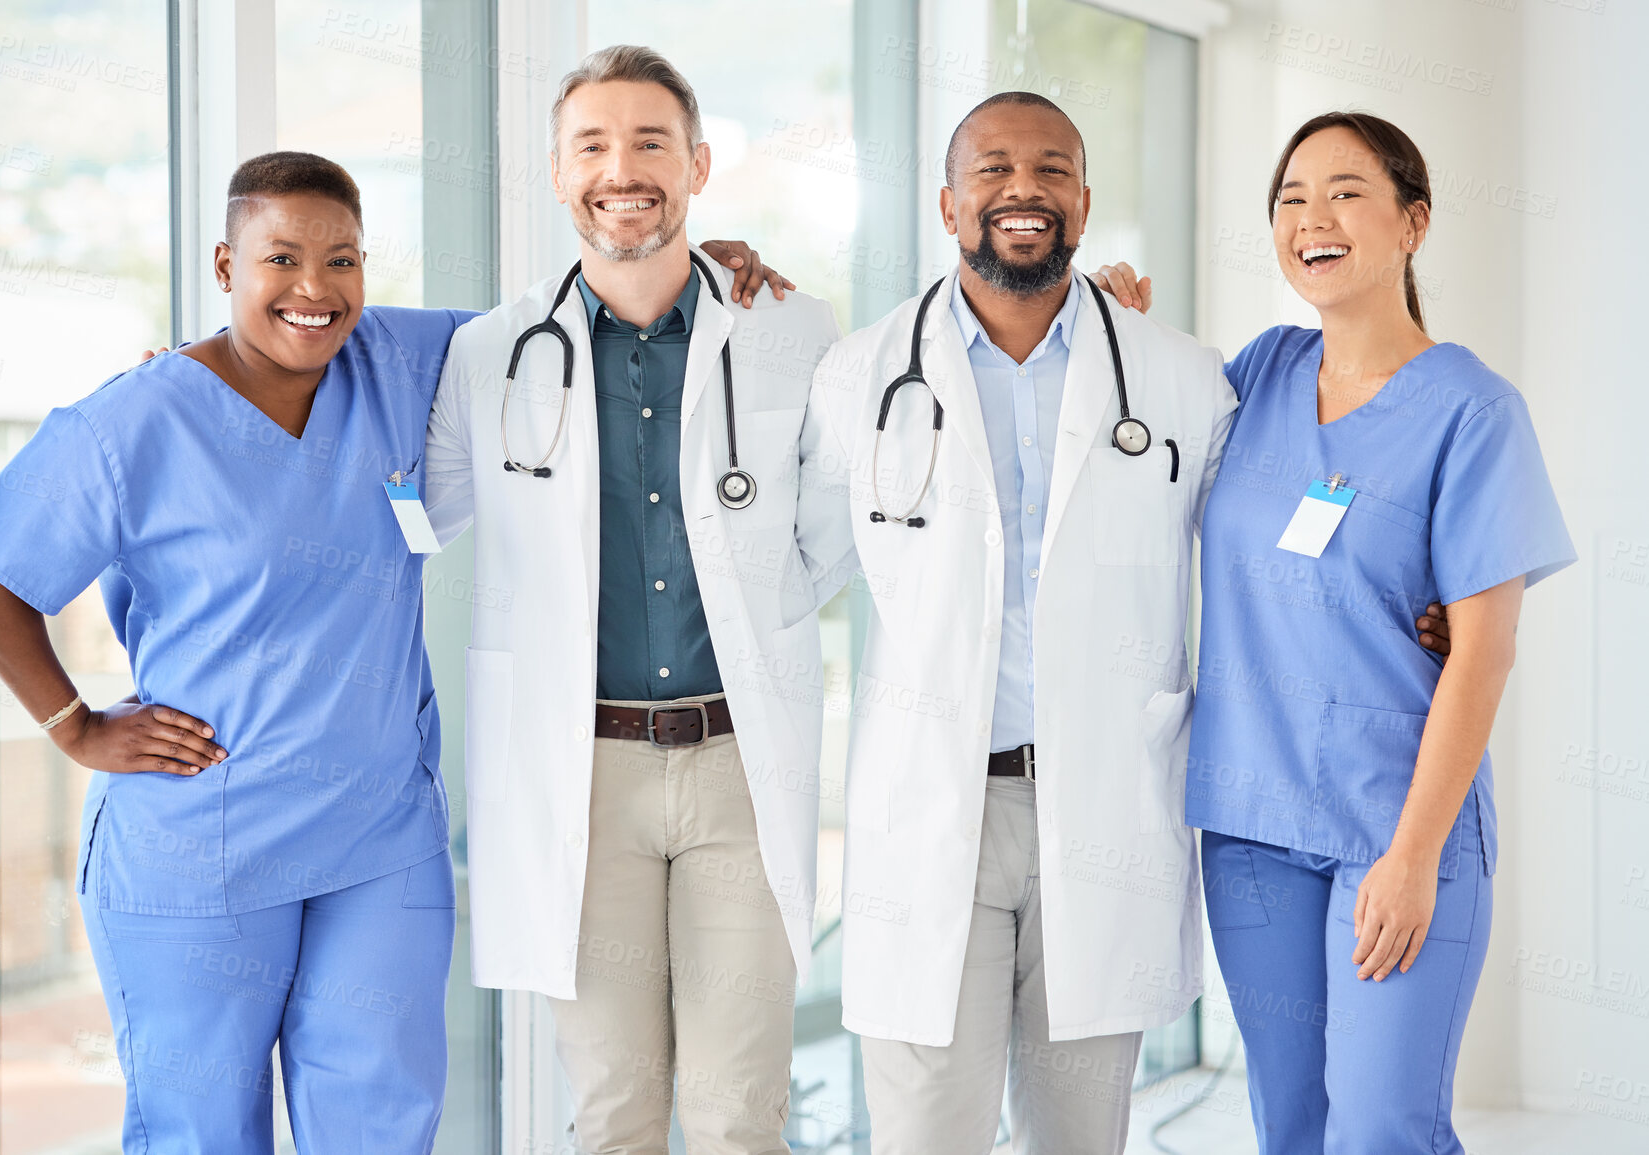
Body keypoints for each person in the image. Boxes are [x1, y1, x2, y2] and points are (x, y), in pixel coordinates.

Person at [0, 148, 785, 1154]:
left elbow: (567, 331)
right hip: (207, 838)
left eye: (343, 261)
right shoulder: (136, 419)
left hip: (378, 842)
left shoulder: (399, 357)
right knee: (200, 1130)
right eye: (280, 258)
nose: (313, 289)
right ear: (224, 266)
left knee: (381, 1122)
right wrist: (71, 724)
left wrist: (681, 261)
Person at [1097, 111, 1574, 1154]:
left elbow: (1484, 650)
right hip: (1251, 829)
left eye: (1346, 193)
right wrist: (1115, 330)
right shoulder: (1260, 372)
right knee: (1292, 1126)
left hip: (1394, 828)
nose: (1312, 218)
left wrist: (1410, 857)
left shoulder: (1473, 411)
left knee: (1380, 1131)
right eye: (1290, 199)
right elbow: (1132, 441)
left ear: (1414, 223)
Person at [424, 46, 851, 1155]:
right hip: (584, 773)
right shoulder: (489, 353)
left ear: (699, 164)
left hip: (738, 768)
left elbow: (837, 528)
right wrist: (211, 374)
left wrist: (764, 612)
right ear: (559, 177)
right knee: (613, 1109)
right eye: (594, 146)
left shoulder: (793, 332)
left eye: (651, 142)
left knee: (737, 1111)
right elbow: (407, 512)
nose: (624, 169)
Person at [793, 90, 1234, 1155]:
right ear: (949, 205)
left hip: (1107, 809)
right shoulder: (860, 376)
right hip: (935, 807)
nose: (1022, 190)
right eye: (993, 169)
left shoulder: (1177, 377)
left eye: (1050, 170)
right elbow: (787, 572)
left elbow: (1253, 571)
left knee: (1080, 1140)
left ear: (1084, 202)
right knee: (923, 1138)